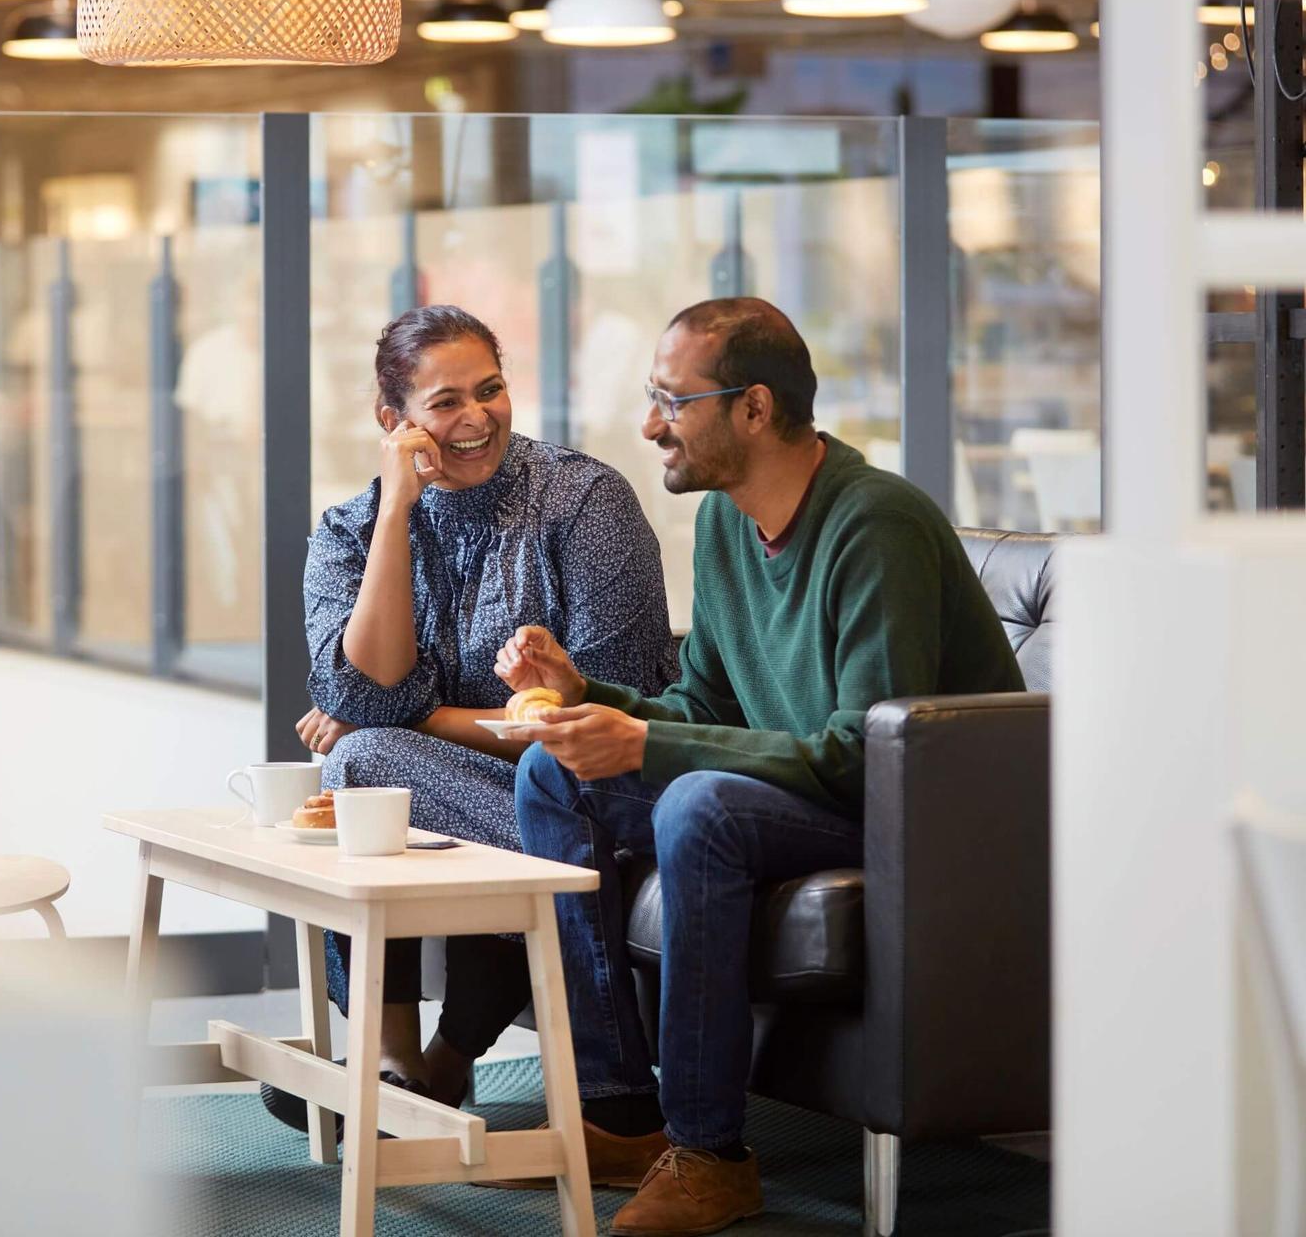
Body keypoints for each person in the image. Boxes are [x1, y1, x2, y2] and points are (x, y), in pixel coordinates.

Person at [496, 297, 1025, 1236]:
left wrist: (653, 746)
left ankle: (712, 1156)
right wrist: (591, 697)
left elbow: (867, 753)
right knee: (553, 774)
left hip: (919, 820)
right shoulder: (725, 525)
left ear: (754, 409)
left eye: (673, 398)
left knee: (702, 806)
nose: (651, 423)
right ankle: (620, 1108)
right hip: (807, 791)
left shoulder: (877, 524)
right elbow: (706, 710)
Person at [263, 305, 678, 1132]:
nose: (476, 417)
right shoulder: (351, 530)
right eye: (445, 402)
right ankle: (401, 1064)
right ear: (395, 422)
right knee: (372, 760)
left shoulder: (583, 501)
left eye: (489, 390)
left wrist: (410, 720)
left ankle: (410, 1068)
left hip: (597, 792)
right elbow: (368, 692)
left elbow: (615, 701)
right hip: (487, 795)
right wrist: (395, 512)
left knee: (368, 760)